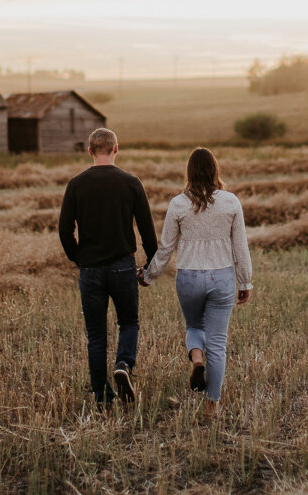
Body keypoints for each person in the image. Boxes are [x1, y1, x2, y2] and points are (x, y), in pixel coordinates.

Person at [139, 147, 253, 418]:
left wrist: (148, 274)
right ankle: (212, 405)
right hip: (222, 277)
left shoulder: (178, 203)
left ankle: (197, 359)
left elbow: (165, 248)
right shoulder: (230, 202)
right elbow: (241, 247)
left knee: (193, 326)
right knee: (218, 342)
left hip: (189, 277)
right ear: (215, 171)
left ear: (189, 172)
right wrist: (245, 281)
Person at [58, 127, 157, 406]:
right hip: (123, 266)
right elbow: (147, 229)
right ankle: (124, 364)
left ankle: (102, 397)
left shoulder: (76, 185)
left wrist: (78, 258)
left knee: (97, 335)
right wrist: (152, 263)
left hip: (90, 270)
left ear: (90, 151)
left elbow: (64, 229)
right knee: (128, 322)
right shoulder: (131, 182)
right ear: (116, 149)